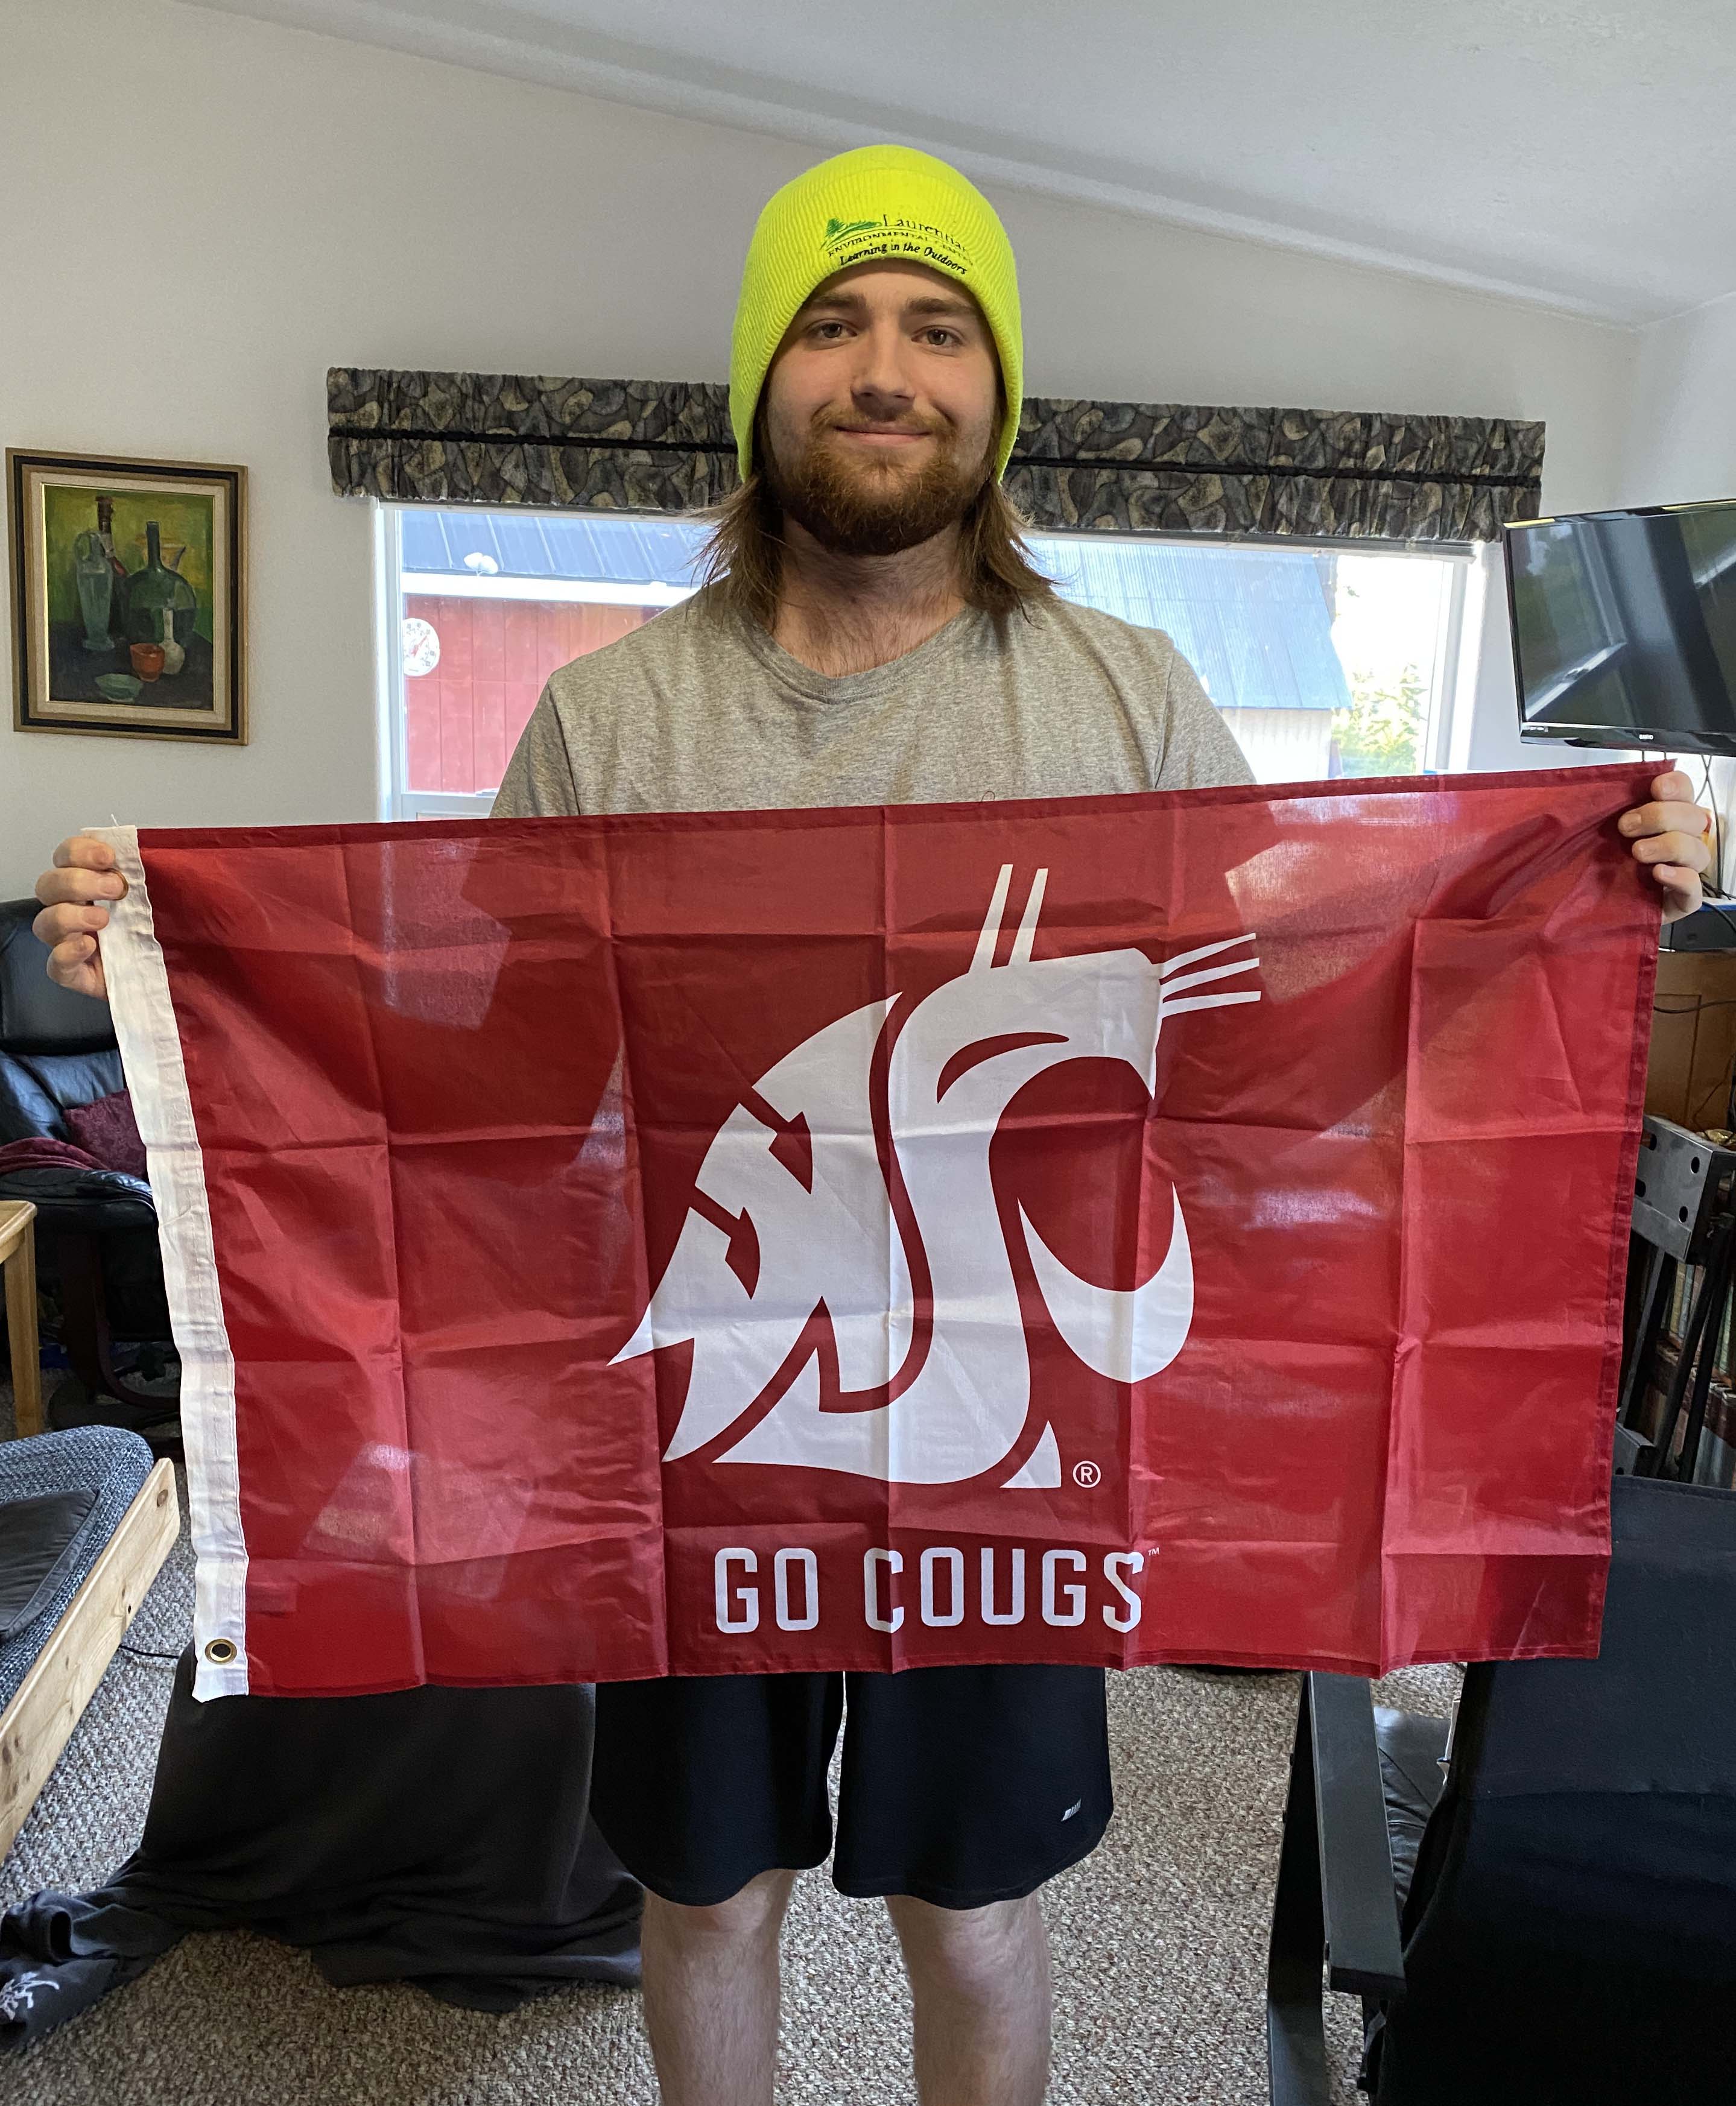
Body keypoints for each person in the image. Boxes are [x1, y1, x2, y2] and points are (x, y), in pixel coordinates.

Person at [33, 146, 1714, 2106]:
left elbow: (1278, 1034)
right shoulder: (614, 716)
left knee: (975, 1913)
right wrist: (182, 960)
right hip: (706, 1417)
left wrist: (1577, 888)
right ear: (764, 379)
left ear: (998, 391)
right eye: (832, 325)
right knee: (706, 1896)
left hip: (1013, 1423)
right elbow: (491, 1087)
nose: (886, 370)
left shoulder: (1129, 698)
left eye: (938, 328)